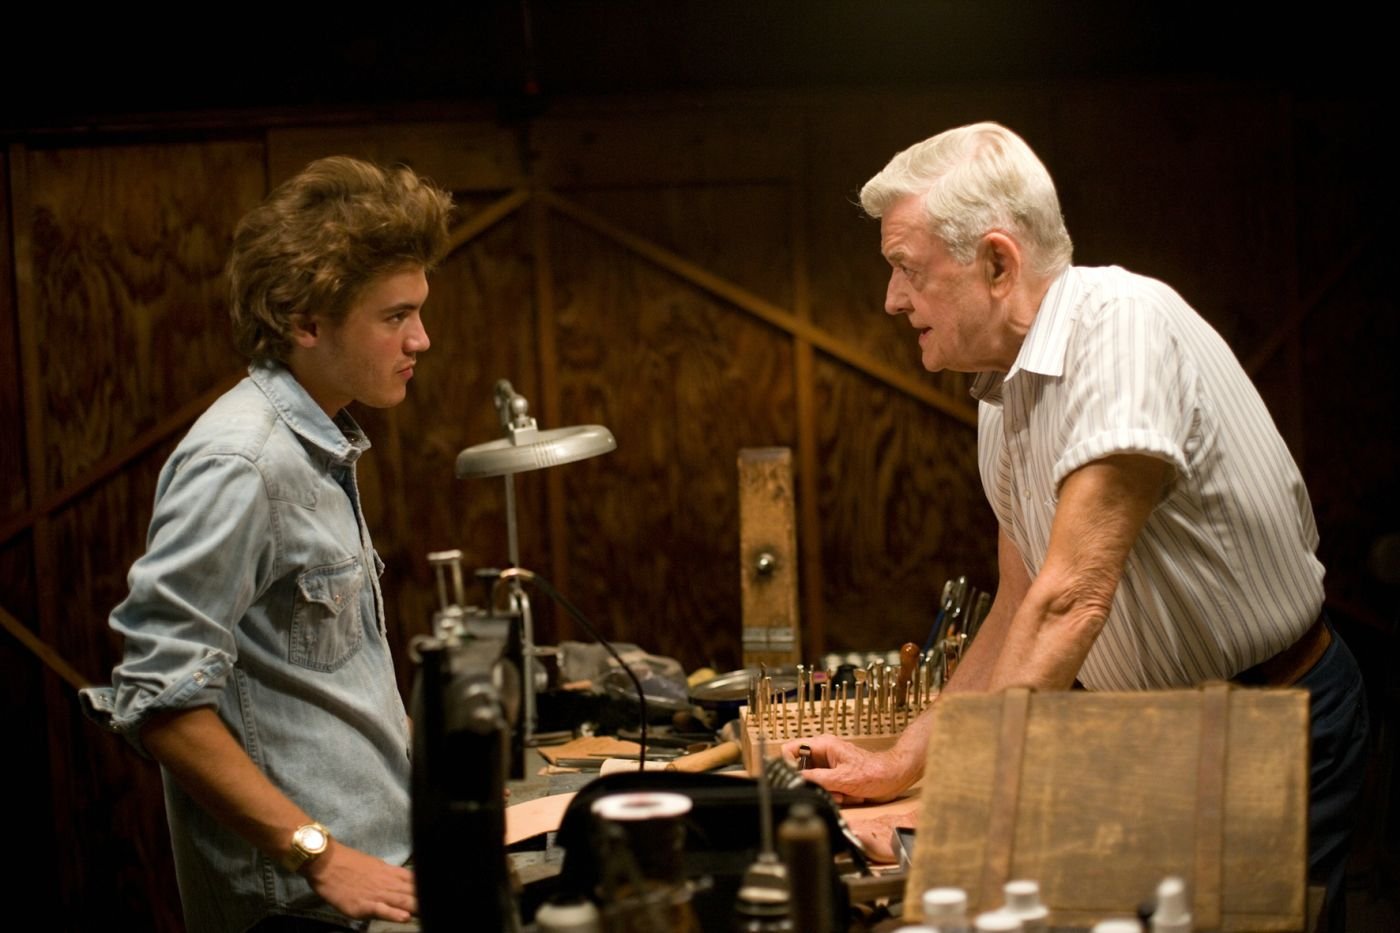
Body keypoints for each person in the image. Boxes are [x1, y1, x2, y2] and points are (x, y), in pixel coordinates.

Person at [785, 122, 1367, 925]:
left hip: (1274, 713)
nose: (892, 298)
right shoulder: (1006, 391)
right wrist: (903, 761)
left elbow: (1071, 599)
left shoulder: (1121, 327)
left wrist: (952, 810)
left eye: (907, 268)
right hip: (1160, 731)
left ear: (997, 262)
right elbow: (1020, 603)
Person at [81, 156, 453, 932]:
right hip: (304, 908)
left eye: (418, 311)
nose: (421, 338)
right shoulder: (242, 462)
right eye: (395, 316)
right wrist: (321, 854)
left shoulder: (317, 443)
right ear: (306, 323)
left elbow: (316, 682)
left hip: (380, 870)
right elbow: (159, 700)